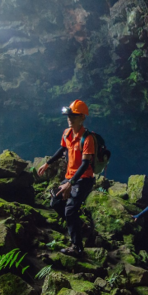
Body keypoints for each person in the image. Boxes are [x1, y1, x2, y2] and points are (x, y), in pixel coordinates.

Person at [37, 100, 96, 257]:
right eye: (69, 116)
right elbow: (62, 149)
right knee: (55, 201)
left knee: (70, 210)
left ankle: (77, 248)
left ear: (82, 117)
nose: (70, 119)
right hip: (70, 176)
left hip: (83, 179)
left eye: (74, 116)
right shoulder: (67, 133)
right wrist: (47, 164)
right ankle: (81, 226)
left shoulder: (87, 138)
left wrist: (70, 184)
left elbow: (85, 164)